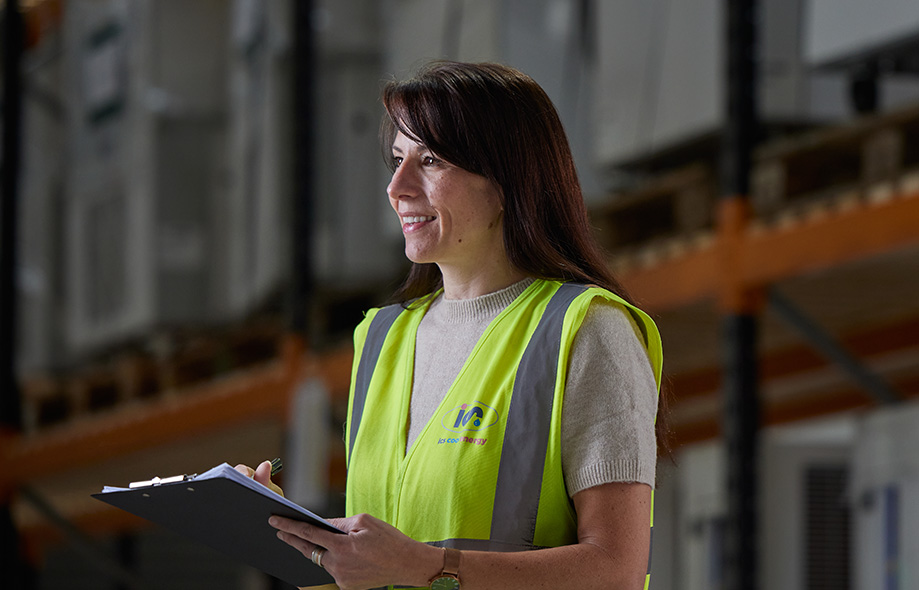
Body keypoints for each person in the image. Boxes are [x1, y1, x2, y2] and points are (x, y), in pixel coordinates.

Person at [243, 61, 663, 590]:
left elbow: (617, 571)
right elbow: (383, 562)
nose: (397, 187)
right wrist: (290, 529)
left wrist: (429, 566)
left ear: (507, 180)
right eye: (397, 159)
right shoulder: (381, 338)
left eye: (430, 160)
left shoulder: (585, 330)